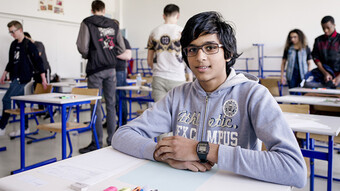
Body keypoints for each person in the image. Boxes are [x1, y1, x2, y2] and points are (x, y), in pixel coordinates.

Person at [112, 11, 306, 188]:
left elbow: (294, 169)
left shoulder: (254, 95)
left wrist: (202, 149)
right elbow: (122, 135)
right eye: (192, 49)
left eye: (210, 47)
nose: (200, 57)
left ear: (228, 53)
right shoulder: (178, 96)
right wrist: (163, 154)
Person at [76, 0, 131, 153]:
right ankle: (112, 140)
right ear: (104, 9)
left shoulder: (87, 22)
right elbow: (121, 47)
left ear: (92, 9)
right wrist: (110, 53)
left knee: (95, 105)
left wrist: (92, 54)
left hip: (95, 68)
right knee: (111, 104)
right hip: (111, 69)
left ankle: (96, 142)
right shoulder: (113, 24)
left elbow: (82, 47)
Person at [0, 21, 47, 137]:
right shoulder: (13, 44)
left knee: (6, 99)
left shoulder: (29, 45)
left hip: (24, 78)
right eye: (10, 32)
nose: (12, 34)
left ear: (20, 30)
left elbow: (38, 62)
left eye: (13, 31)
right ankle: (25, 128)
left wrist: (44, 78)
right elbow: (11, 61)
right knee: (19, 103)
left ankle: (2, 127)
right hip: (14, 77)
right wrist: (4, 73)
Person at [147, 4, 192, 102]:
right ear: (178, 15)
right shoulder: (182, 32)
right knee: (178, 112)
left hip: (159, 77)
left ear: (163, 16)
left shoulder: (154, 32)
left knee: (160, 112)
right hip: (177, 77)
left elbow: (149, 60)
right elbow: (189, 57)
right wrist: (190, 78)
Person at [304, 15, 340, 88]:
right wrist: (325, 73)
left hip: (338, 75)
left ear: (334, 25)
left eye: (328, 28)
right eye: (323, 28)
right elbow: (316, 58)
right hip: (324, 75)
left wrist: (339, 77)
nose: (325, 30)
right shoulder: (318, 40)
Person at [115, 37, 131, 126]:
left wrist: (111, 54)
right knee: (110, 99)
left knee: (120, 97)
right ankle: (111, 121)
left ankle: (123, 122)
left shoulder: (123, 40)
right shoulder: (107, 39)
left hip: (119, 71)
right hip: (108, 70)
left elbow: (128, 56)